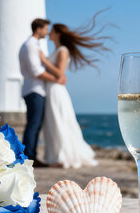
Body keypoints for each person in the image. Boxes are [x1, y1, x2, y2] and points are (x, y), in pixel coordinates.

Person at [39, 21, 109, 168]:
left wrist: (44, 60)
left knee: (60, 121)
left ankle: (63, 156)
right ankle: (56, 156)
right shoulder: (57, 50)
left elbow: (60, 73)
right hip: (51, 89)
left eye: (52, 31)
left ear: (58, 34)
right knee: (53, 123)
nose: (49, 33)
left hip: (56, 91)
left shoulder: (62, 50)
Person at [19, 18, 66, 167]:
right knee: (34, 124)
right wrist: (55, 79)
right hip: (35, 90)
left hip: (34, 89)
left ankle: (29, 155)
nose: (47, 32)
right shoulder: (31, 46)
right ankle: (29, 157)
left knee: (35, 124)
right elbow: (36, 71)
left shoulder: (31, 45)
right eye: (46, 29)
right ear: (38, 29)